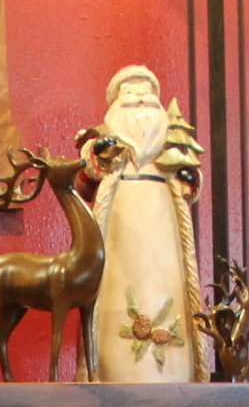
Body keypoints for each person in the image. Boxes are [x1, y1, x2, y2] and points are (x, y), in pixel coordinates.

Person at [80, 66, 205, 382]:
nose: (139, 99)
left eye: (147, 93)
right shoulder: (104, 140)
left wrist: (190, 179)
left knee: (167, 281)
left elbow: (191, 179)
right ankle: (112, 368)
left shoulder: (170, 148)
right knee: (116, 284)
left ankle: (175, 370)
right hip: (121, 218)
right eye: (131, 92)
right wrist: (99, 152)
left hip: (163, 221)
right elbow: (87, 171)